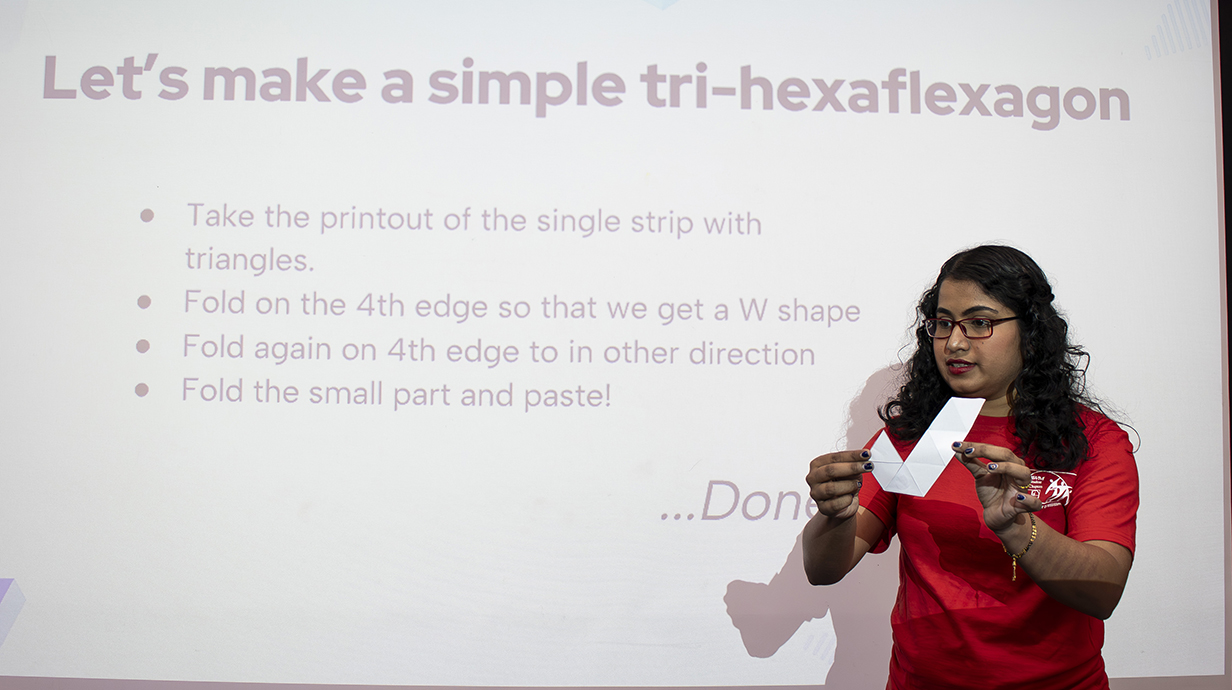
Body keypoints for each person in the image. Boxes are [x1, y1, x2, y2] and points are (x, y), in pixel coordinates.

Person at [802, 245, 1137, 690]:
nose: (955, 342)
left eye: (980, 323)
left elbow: (1103, 591)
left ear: (1031, 331)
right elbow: (824, 568)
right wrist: (835, 517)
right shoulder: (913, 435)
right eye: (943, 323)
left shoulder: (1093, 440)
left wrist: (1018, 529)